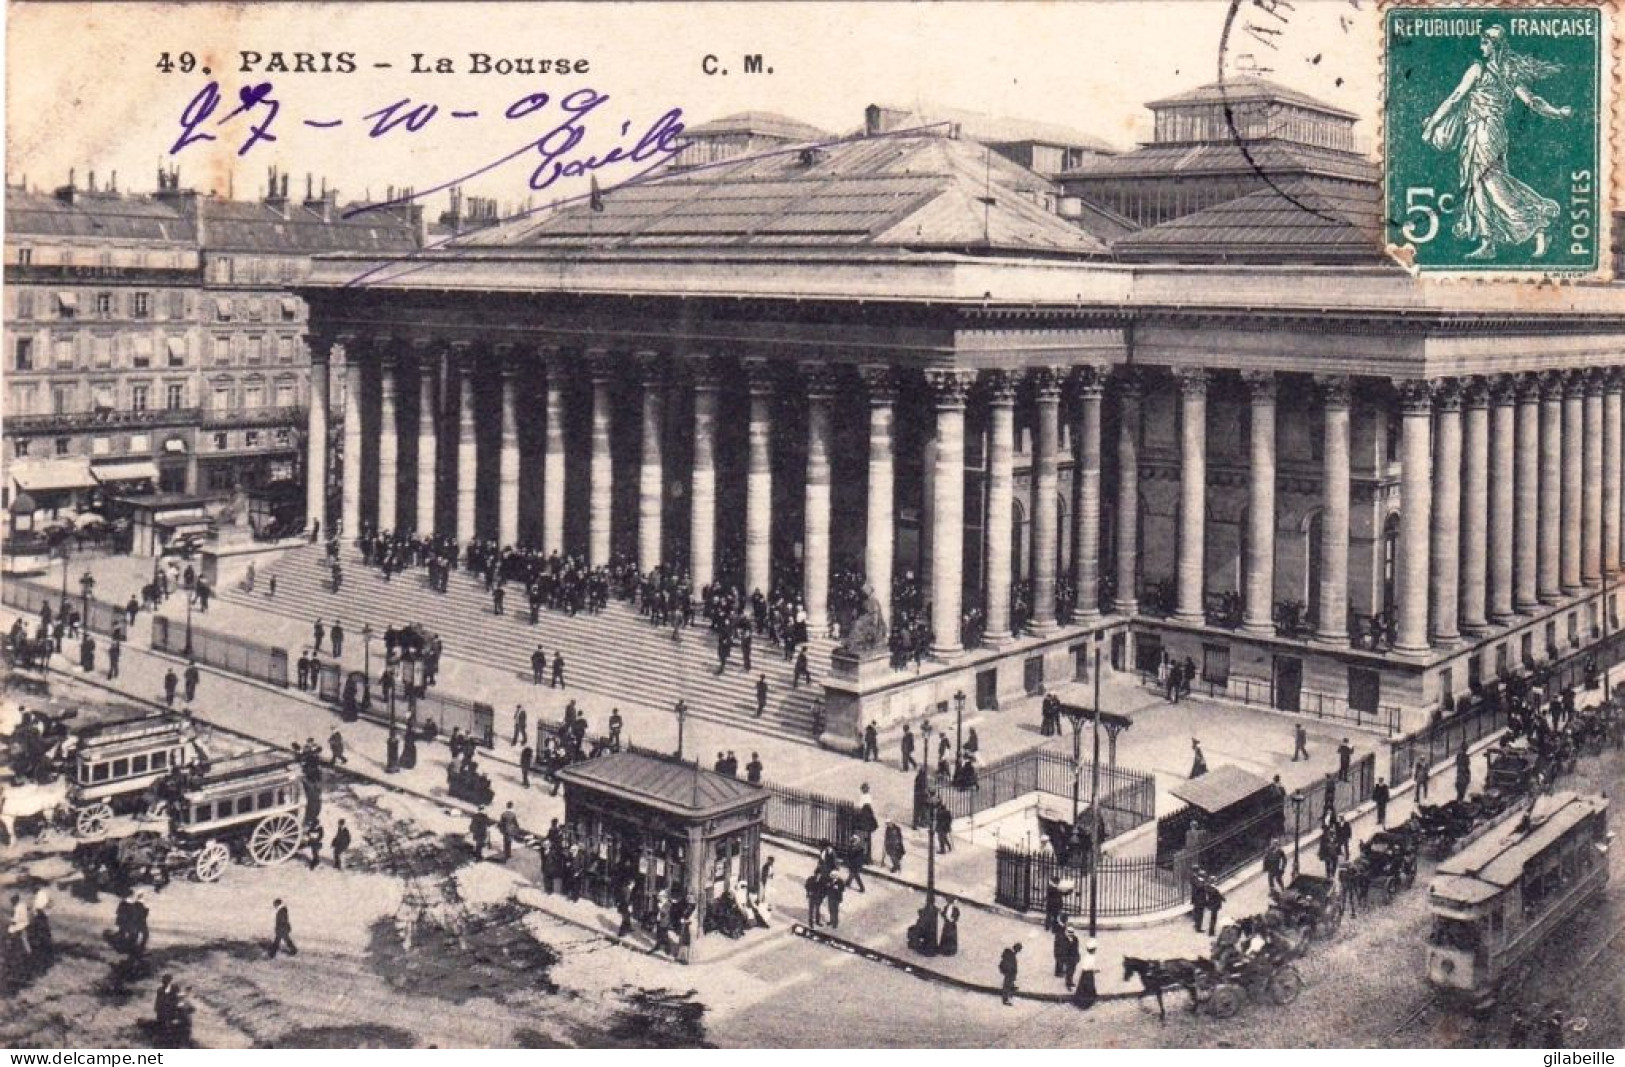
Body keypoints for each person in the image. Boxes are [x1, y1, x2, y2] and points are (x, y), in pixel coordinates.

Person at [1422, 24, 1571, 261]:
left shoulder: (1478, 69)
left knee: (1483, 184)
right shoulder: (1508, 73)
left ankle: (1529, 223)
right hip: (1495, 133)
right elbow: (1533, 101)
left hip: (1482, 131)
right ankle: (1517, 232)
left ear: (1494, 45)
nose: (1481, 45)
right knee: (1491, 181)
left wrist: (1431, 126)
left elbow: (1455, 98)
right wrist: (1558, 112)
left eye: (1485, 42)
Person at [1072, 937, 1099, 1010]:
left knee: (1083, 987)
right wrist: (1094, 970)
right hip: (1088, 974)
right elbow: (1089, 967)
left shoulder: (1087, 956)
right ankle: (1086, 1002)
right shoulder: (1090, 957)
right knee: (1088, 987)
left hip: (1085, 973)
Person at [1054, 920, 1080, 990]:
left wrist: (1078, 956)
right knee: (1068, 971)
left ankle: (1070, 981)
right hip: (1068, 958)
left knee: (1072, 970)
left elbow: (1077, 948)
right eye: (1070, 932)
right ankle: (1068, 983)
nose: (1071, 934)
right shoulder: (1064, 939)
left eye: (1072, 932)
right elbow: (1063, 950)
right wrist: (1063, 959)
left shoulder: (1075, 939)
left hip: (1073, 957)